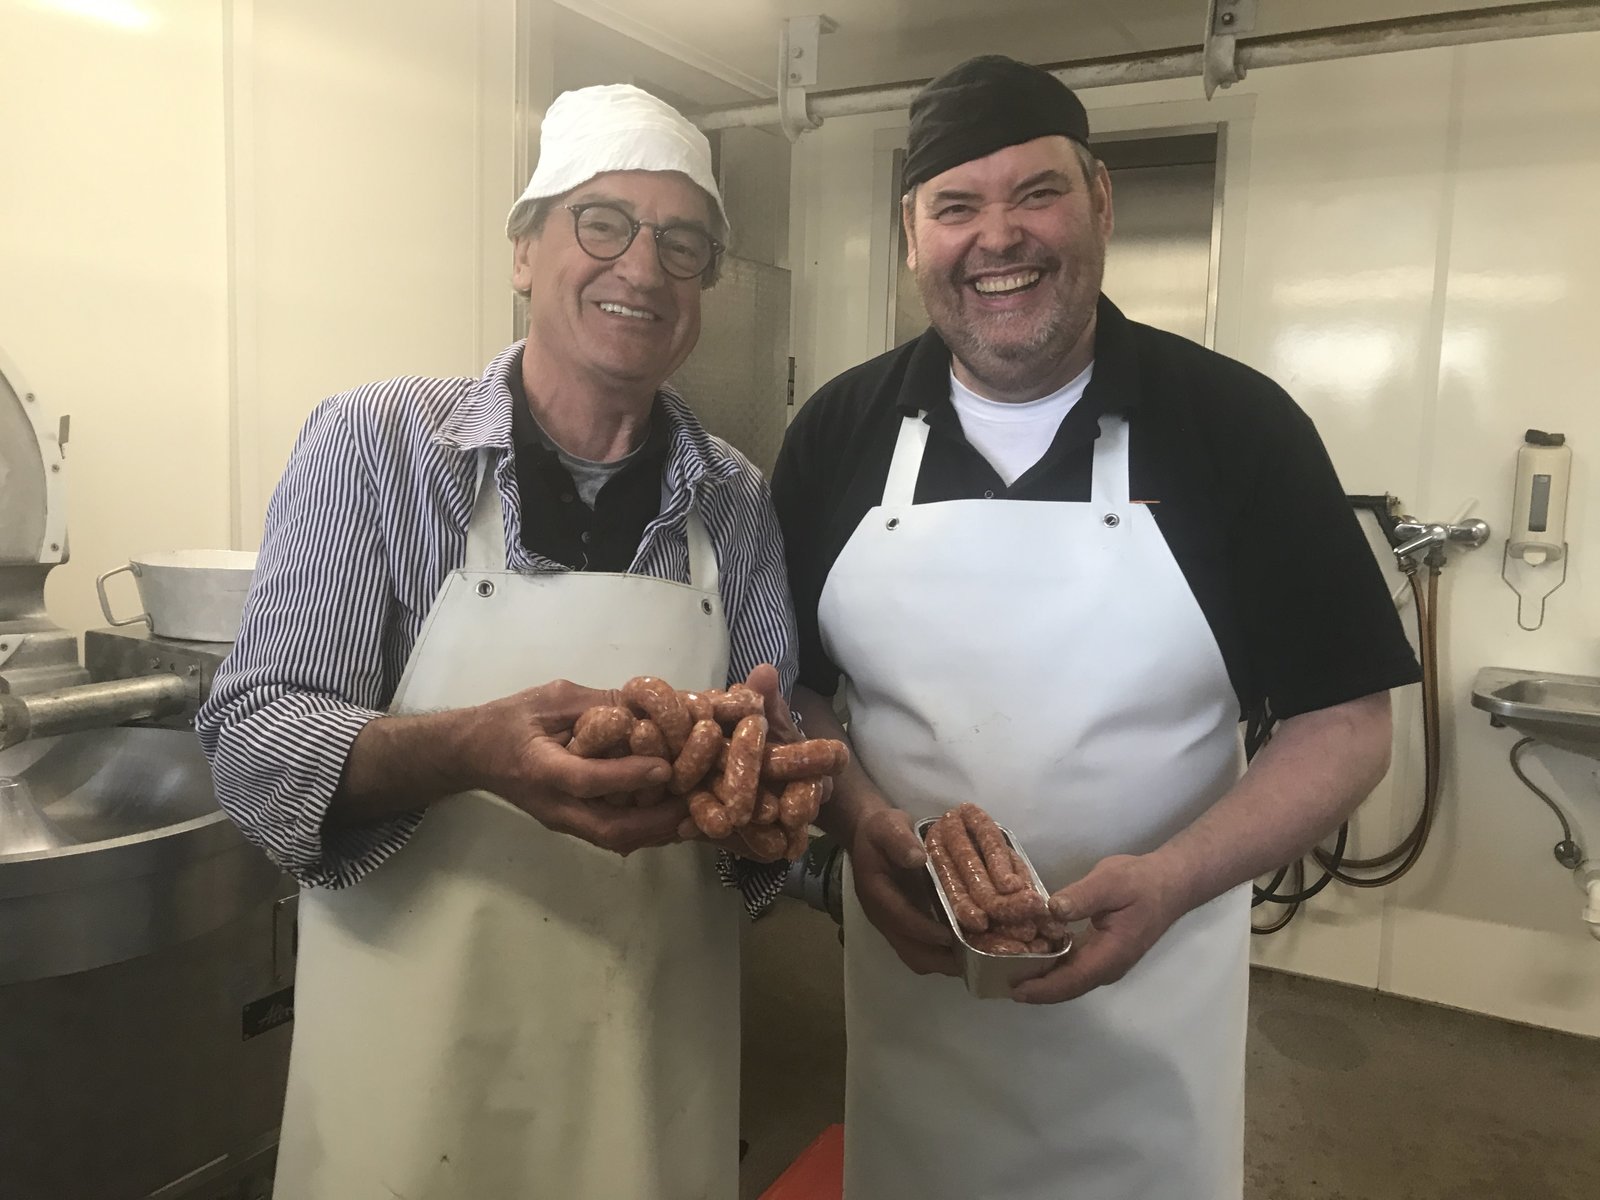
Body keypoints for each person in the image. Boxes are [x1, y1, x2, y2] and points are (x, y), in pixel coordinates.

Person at [772, 55, 1421, 1200]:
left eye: (1037, 192)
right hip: (914, 1017)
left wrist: (1174, 878)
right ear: (911, 234)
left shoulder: (1236, 427)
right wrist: (859, 820)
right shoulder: (839, 432)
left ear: (1100, 202)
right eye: (955, 206)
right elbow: (801, 695)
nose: (997, 237)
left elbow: (1344, 723)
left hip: (1152, 1025)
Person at [197, 83, 796, 1200]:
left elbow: (762, 834)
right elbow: (255, 745)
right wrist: (474, 748)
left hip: (647, 1066)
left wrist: (769, 815)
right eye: (603, 223)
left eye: (683, 244)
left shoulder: (737, 502)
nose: (643, 268)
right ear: (524, 252)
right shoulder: (375, 447)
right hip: (411, 1070)